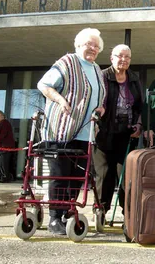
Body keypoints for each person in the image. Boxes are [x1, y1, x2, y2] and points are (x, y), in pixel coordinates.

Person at [37, 28, 106, 235]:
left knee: (77, 175)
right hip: (61, 130)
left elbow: (98, 97)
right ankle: (54, 218)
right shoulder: (67, 62)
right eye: (88, 44)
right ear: (78, 45)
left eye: (96, 45)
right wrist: (60, 99)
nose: (92, 48)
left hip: (85, 133)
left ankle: (68, 211)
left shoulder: (96, 69)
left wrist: (101, 107)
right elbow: (44, 84)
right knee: (60, 174)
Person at [94, 44, 143, 215]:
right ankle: (101, 210)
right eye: (119, 56)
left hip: (126, 134)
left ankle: (128, 212)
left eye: (127, 57)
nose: (123, 60)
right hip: (104, 133)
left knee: (126, 174)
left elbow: (139, 106)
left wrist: (139, 124)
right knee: (104, 174)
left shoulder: (134, 79)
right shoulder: (102, 76)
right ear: (111, 58)